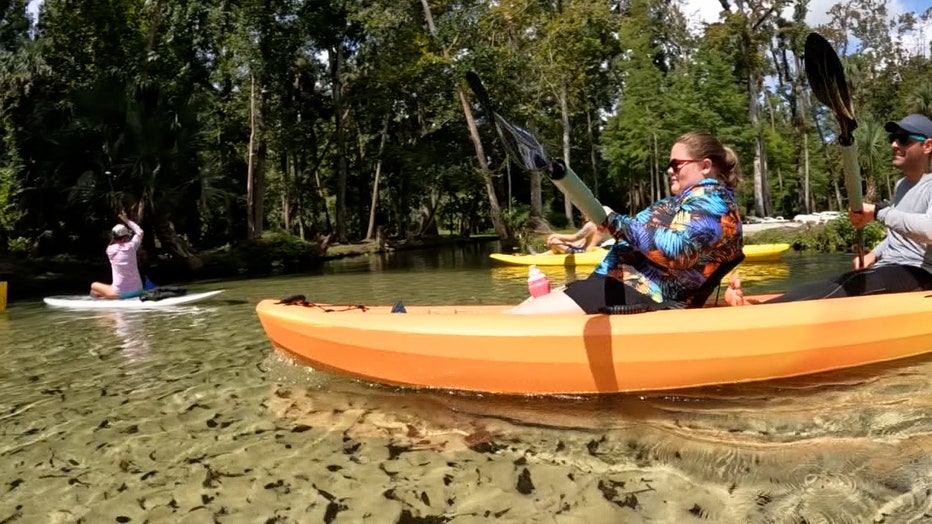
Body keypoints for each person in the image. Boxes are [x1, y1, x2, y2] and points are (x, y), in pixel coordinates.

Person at [508, 131, 743, 314]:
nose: (669, 171)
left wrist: (614, 221)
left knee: (523, 316)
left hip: (643, 294)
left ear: (705, 166)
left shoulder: (714, 206)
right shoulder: (690, 202)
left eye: (676, 164)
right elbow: (644, 234)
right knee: (530, 305)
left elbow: (677, 250)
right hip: (625, 286)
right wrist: (612, 224)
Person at [726, 113, 932, 306]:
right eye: (893, 138)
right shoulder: (902, 186)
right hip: (890, 267)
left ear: (928, 145)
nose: (894, 144)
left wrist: (879, 211)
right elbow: (899, 235)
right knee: (841, 280)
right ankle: (761, 305)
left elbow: (929, 231)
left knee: (851, 283)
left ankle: (760, 311)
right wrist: (875, 255)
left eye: (903, 138)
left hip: (920, 273)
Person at [90, 211, 145, 300]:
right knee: (106, 288)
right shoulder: (132, 246)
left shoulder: (110, 250)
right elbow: (140, 232)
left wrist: (114, 237)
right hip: (138, 290)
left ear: (114, 237)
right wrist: (126, 220)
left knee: (94, 286)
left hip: (120, 294)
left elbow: (111, 244)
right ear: (126, 237)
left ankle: (105, 304)